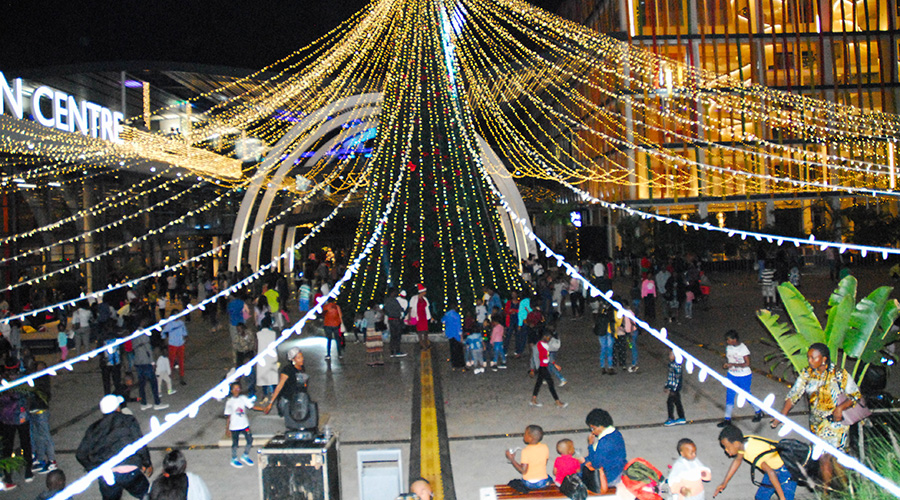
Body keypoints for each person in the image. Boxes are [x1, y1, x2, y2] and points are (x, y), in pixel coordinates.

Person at [771, 343, 861, 487]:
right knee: (823, 459)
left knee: (837, 460)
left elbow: (855, 395)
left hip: (836, 424)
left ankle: (846, 489)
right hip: (817, 424)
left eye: (813, 358)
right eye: (809, 358)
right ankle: (827, 491)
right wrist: (782, 415)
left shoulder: (838, 374)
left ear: (824, 359)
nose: (810, 361)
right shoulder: (807, 374)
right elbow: (794, 394)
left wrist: (840, 408)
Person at [76, 394, 153, 500]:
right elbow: (139, 444)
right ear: (117, 408)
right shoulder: (128, 420)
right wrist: (146, 463)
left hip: (106, 473)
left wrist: (94, 468)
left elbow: (80, 454)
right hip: (129, 471)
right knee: (146, 495)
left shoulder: (93, 428)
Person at [714, 425, 796, 500]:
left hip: (786, 470)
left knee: (786, 497)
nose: (726, 450)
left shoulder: (752, 452)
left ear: (735, 444)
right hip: (773, 468)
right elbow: (737, 460)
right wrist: (724, 483)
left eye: (727, 447)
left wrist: (782, 497)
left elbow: (771, 473)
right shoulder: (743, 442)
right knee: (761, 497)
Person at [0, 358, 33, 489]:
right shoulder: (21, 379)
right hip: (19, 417)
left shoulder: (4, 380)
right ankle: (26, 471)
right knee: (24, 444)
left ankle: (9, 474)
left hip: (8, 418)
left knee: (9, 446)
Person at [264, 348, 316, 432]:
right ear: (293, 360)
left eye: (301, 356)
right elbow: (279, 386)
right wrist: (271, 403)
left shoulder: (301, 368)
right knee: (291, 422)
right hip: (288, 400)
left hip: (299, 398)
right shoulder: (287, 370)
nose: (301, 359)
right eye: (298, 357)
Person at [719, 330, 763, 427]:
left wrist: (733, 364)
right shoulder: (728, 348)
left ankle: (758, 411)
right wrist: (727, 365)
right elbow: (730, 359)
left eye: (729, 340)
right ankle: (727, 419)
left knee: (746, 394)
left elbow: (747, 363)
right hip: (732, 375)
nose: (728, 342)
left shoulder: (743, 349)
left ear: (734, 340)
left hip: (744, 375)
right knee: (730, 396)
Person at [133, 317, 168, 411]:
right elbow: (148, 349)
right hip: (146, 361)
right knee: (153, 383)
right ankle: (157, 402)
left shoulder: (133, 334)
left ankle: (143, 403)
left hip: (138, 361)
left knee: (141, 384)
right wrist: (152, 362)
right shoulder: (144, 333)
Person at [584, 408, 627, 484]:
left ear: (600, 426)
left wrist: (590, 445)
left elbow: (596, 464)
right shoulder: (616, 433)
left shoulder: (604, 443)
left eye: (593, 428)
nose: (592, 431)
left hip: (610, 476)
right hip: (619, 467)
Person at [30, 361, 58, 474]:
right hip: (32, 411)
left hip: (41, 410)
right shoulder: (35, 377)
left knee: (45, 436)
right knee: (37, 436)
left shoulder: (42, 379)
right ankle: (40, 459)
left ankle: (52, 461)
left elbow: (42, 394)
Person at [505, 425, 551, 490]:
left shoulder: (526, 451)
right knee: (549, 477)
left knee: (515, 483)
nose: (524, 436)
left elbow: (523, 471)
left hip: (529, 483)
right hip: (542, 482)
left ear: (530, 438)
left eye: (525, 434)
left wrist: (512, 460)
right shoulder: (545, 447)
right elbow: (545, 463)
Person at [531, 332, 567, 408]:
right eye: (548, 338)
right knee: (550, 383)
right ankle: (557, 401)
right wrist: (533, 368)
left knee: (539, 383)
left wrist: (554, 364)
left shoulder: (546, 345)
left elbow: (548, 356)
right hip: (541, 367)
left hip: (544, 366)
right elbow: (533, 357)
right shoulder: (538, 345)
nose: (549, 339)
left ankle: (533, 400)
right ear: (544, 336)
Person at [224, 381, 255, 468]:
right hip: (234, 426)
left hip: (245, 425)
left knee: (249, 439)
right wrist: (227, 428)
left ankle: (245, 455)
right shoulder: (229, 402)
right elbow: (228, 416)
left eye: (238, 388)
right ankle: (234, 458)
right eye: (234, 389)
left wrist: (263, 409)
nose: (236, 390)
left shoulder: (243, 398)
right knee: (235, 443)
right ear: (231, 391)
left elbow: (251, 406)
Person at [161, 309, 188, 386]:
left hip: (180, 344)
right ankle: (169, 377)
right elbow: (163, 332)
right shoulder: (169, 324)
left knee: (181, 361)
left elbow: (184, 332)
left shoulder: (181, 323)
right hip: (172, 344)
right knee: (171, 362)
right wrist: (165, 340)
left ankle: (182, 377)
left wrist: (185, 337)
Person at [255, 314, 279, 399]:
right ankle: (275, 392)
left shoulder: (258, 334)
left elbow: (256, 346)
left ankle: (265, 393)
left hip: (262, 357)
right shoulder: (273, 333)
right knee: (272, 375)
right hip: (271, 357)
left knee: (263, 375)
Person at [664, 350, 686, 426]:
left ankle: (671, 418)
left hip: (675, 388)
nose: (669, 356)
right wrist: (667, 385)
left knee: (669, 402)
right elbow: (670, 377)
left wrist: (672, 388)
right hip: (674, 387)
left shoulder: (676, 365)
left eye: (671, 354)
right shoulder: (671, 364)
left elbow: (676, 378)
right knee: (677, 402)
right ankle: (681, 417)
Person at [384, 287, 408, 358]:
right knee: (397, 336)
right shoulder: (393, 300)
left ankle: (392, 351)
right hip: (396, 320)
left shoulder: (387, 300)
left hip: (391, 320)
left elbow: (386, 310)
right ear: (392, 293)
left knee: (393, 336)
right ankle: (397, 351)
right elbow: (400, 309)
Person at [407, 284, 432, 349]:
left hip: (424, 316)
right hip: (418, 316)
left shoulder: (425, 299)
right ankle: (422, 344)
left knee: (426, 330)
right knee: (420, 331)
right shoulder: (414, 298)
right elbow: (410, 307)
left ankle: (426, 342)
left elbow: (427, 308)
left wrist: (430, 317)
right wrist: (409, 317)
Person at [442, 305, 465, 369]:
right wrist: (461, 336)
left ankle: (454, 365)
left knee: (452, 350)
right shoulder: (457, 315)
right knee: (459, 350)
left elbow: (442, 321)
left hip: (450, 334)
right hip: (456, 335)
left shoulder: (447, 314)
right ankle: (461, 364)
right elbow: (459, 327)